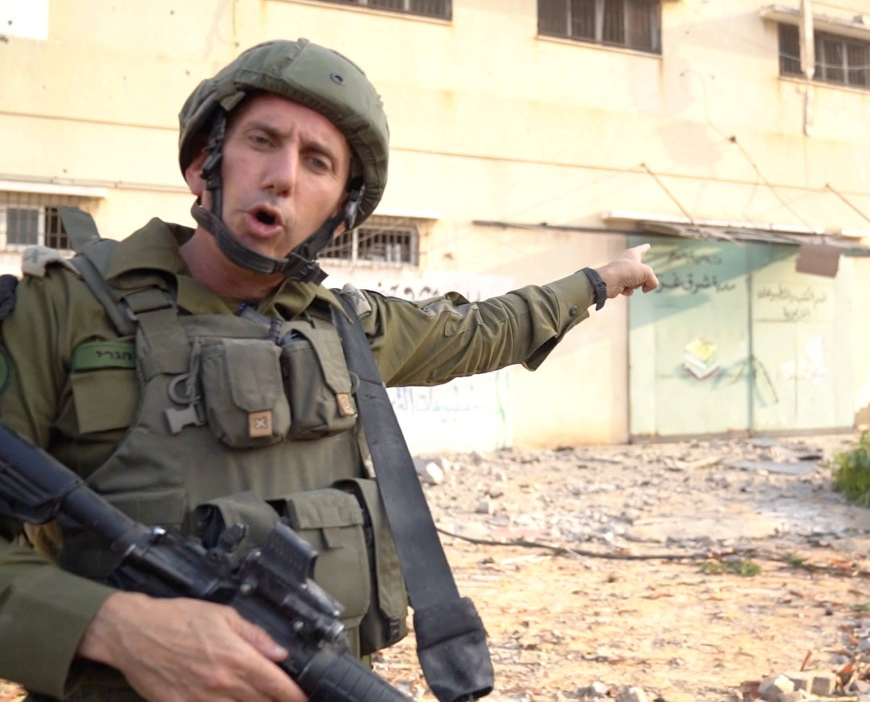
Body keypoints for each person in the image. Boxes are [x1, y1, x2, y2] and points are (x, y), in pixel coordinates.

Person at [0, 38, 659, 702]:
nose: (283, 176)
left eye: (318, 162)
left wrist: (598, 283)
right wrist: (115, 628)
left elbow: (483, 331)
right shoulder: (60, 309)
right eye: (262, 140)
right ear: (206, 163)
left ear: (341, 216)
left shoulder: (345, 327)